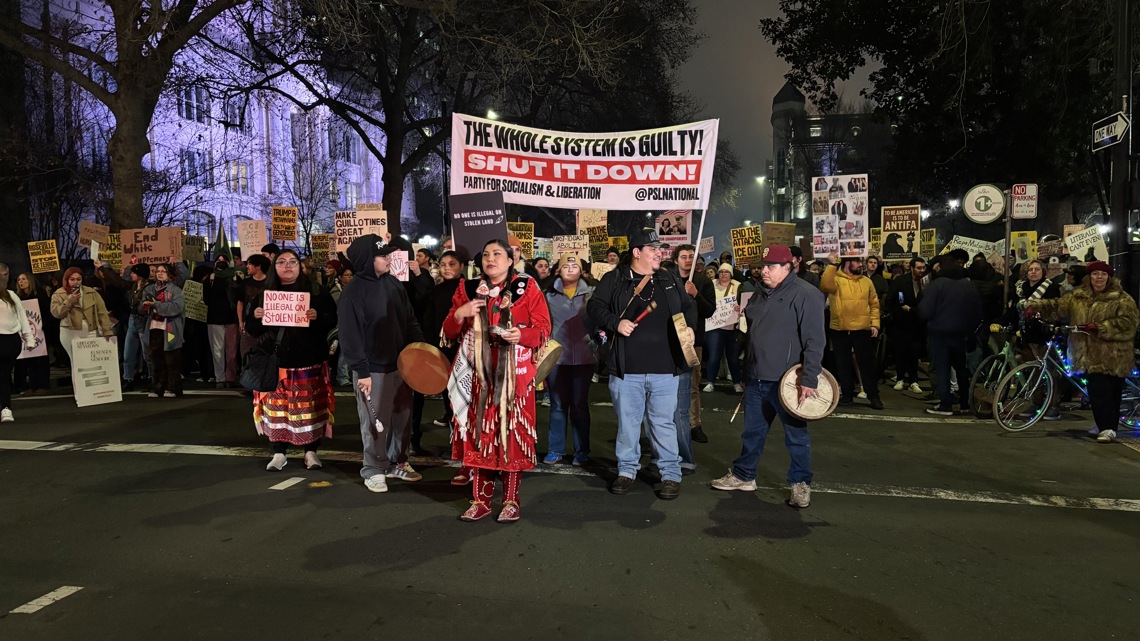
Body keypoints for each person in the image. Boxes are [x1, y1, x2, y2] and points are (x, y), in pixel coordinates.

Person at [443, 238, 552, 521]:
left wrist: (523, 335)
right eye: (486, 255)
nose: (491, 259)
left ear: (510, 259)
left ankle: (511, 501)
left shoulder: (526, 287)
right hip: (477, 372)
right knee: (479, 433)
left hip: (513, 373)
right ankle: (480, 500)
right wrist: (459, 314)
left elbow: (543, 328)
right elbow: (449, 330)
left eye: (497, 254)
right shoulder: (468, 289)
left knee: (510, 433)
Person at [712, 245, 826, 509]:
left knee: (796, 437)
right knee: (752, 432)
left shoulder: (807, 295)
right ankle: (744, 475)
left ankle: (800, 484)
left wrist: (809, 378)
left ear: (788, 268)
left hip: (788, 381)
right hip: (756, 378)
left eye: (770, 266)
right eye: (763, 265)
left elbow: (815, 340)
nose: (763, 270)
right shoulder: (759, 294)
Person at [587, 228, 697, 499]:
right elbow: (595, 308)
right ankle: (627, 471)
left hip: (666, 368)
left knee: (663, 424)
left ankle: (670, 474)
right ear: (637, 253)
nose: (660, 252)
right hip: (628, 370)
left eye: (660, 248)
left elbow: (688, 306)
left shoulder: (668, 278)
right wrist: (616, 322)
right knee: (628, 423)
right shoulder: (615, 279)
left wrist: (690, 328)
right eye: (653, 248)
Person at [340, 234, 425, 493]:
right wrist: (362, 371)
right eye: (382, 254)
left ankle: (398, 461)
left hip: (401, 365)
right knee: (375, 423)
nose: (389, 258)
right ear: (367, 260)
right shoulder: (352, 293)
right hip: (372, 370)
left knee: (402, 418)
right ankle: (373, 469)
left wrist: (421, 350)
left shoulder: (394, 285)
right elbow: (350, 337)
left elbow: (410, 321)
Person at [1028, 262, 1139, 442]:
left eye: (1103, 274)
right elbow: (1059, 306)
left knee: (1109, 391)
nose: (1099, 278)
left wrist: (1100, 327)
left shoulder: (1122, 298)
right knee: (1097, 390)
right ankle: (1106, 425)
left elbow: (1129, 323)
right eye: (1095, 274)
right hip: (1087, 352)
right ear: (1090, 277)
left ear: (1109, 277)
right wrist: (1036, 306)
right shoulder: (1078, 296)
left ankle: (1107, 427)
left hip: (1113, 353)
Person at [251, 249, 337, 471]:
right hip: (276, 363)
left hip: (308, 360)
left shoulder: (316, 291)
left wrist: (317, 317)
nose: (287, 266)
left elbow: (332, 319)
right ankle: (279, 452)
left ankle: (311, 451)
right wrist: (256, 316)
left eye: (292, 262)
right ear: (274, 267)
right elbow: (251, 329)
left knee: (309, 408)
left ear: (300, 266)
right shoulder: (263, 294)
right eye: (281, 262)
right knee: (277, 410)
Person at [542, 256, 596, 466]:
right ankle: (555, 449)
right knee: (557, 404)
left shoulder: (592, 294)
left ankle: (582, 450)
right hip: (557, 359)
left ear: (582, 271)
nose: (570, 269)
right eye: (566, 265)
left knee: (580, 405)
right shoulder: (547, 295)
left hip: (584, 358)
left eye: (575, 266)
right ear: (558, 270)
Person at [919, 255, 982, 416]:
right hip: (961, 333)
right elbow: (976, 312)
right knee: (961, 368)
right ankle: (964, 403)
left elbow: (925, 311)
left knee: (942, 368)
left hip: (939, 333)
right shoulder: (968, 286)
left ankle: (945, 404)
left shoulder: (937, 285)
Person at [821, 256, 883, 409]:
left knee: (867, 365)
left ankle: (873, 395)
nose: (861, 265)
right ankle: (847, 395)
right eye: (858, 262)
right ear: (847, 262)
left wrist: (875, 324)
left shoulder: (866, 281)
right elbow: (825, 286)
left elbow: (874, 304)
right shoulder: (835, 279)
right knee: (843, 364)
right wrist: (832, 264)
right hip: (840, 329)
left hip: (862, 329)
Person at [671, 244, 716, 446]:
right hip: (668, 340)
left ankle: (694, 425)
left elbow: (709, 311)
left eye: (691, 256)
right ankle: (670, 426)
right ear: (675, 260)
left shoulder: (703, 282)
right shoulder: (667, 280)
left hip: (693, 341)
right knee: (667, 386)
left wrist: (696, 294)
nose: (688, 260)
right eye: (683, 257)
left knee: (693, 385)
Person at [420, 250, 464, 434]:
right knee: (447, 387)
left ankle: (463, 429)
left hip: (464, 347)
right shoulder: (436, 291)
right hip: (442, 346)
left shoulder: (470, 287)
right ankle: (452, 422)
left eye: (452, 264)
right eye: (443, 264)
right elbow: (429, 320)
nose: (447, 268)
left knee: (463, 388)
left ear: (462, 266)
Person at [139, 264, 186, 398]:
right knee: (156, 358)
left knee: (171, 359)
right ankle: (158, 387)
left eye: (163, 271)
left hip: (170, 329)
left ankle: (173, 387)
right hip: (154, 327)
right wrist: (144, 306)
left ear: (169, 274)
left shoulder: (175, 290)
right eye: (158, 271)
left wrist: (156, 305)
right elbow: (141, 308)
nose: (159, 273)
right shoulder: (148, 289)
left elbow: (177, 307)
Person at [51, 267, 113, 363]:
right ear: (66, 280)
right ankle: (76, 378)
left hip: (91, 331)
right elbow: (57, 313)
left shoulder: (91, 292)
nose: (76, 282)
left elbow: (102, 312)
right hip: (70, 332)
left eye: (78, 279)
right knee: (77, 361)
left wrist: (107, 330)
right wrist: (69, 301)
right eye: (72, 279)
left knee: (91, 360)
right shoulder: (59, 294)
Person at [884, 257, 926, 393]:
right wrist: (900, 310)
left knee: (914, 353)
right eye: (919, 268)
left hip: (918, 323)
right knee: (900, 351)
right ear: (912, 268)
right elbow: (891, 300)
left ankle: (914, 380)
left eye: (923, 268)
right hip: (901, 323)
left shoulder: (926, 281)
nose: (921, 270)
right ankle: (900, 378)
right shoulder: (901, 281)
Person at [0, 266, 36, 422]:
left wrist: (30, 338)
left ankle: (6, 408)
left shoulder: (12, 295)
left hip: (9, 340)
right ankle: (5, 408)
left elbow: (22, 318)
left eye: (5, 274)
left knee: (3, 375)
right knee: (2, 375)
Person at [703, 262, 744, 394]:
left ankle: (736, 383)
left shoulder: (738, 286)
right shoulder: (711, 284)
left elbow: (744, 302)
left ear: (731, 274)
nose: (723, 274)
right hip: (715, 327)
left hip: (732, 327)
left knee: (733, 357)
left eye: (726, 272)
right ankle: (710, 382)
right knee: (714, 356)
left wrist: (740, 307)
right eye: (721, 272)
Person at [13, 272, 50, 395]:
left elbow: (45, 311)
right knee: (25, 360)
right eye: (19, 280)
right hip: (23, 333)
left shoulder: (39, 293)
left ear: (30, 280)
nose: (21, 282)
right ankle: (27, 386)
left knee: (40, 359)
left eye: (23, 279)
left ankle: (42, 385)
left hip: (39, 331)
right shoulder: (17, 296)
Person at [206, 255, 239, 388]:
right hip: (215, 319)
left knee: (231, 352)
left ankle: (230, 377)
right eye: (218, 260)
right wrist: (210, 283)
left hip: (231, 319)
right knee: (217, 351)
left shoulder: (234, 278)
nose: (221, 263)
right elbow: (206, 299)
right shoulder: (210, 279)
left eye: (223, 260)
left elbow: (238, 297)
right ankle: (220, 377)